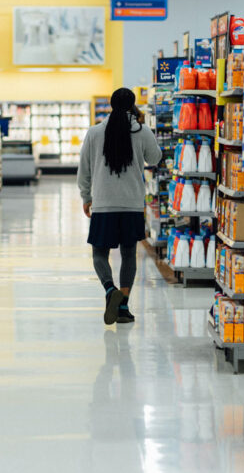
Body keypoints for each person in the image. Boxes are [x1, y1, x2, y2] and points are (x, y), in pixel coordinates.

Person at [78, 87, 163, 325]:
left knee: (99, 254)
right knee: (128, 254)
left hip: (104, 203)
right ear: (133, 105)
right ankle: (123, 306)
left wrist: (86, 197)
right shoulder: (141, 130)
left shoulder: (95, 133)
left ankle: (109, 290)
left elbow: (83, 170)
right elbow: (155, 158)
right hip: (132, 204)